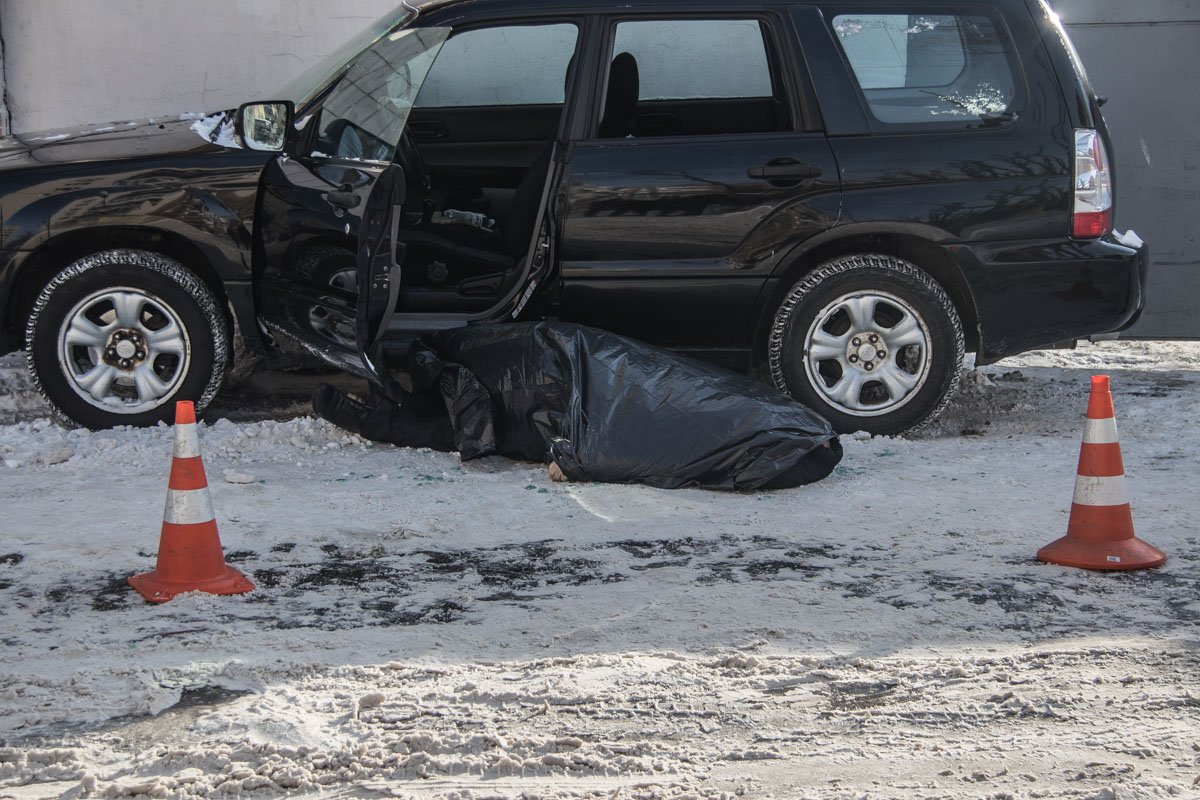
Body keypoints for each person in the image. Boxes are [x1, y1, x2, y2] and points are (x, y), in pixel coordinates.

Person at [313, 322, 842, 491]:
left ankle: (366, 413)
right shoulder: (450, 357)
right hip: (547, 378)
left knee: (674, 399)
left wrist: (579, 456)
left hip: (559, 373)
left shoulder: (454, 358)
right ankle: (366, 412)